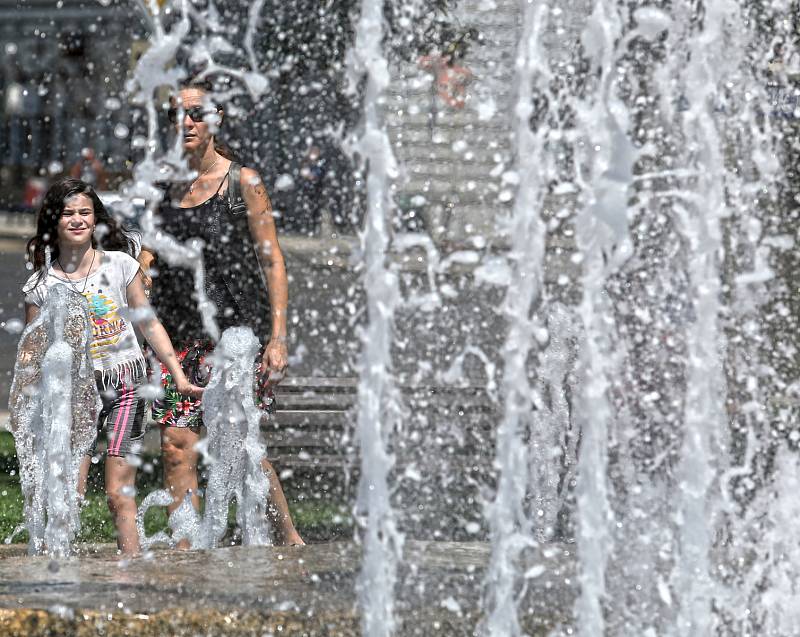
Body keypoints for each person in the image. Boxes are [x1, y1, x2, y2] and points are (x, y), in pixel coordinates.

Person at [138, 80, 304, 546]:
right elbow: (149, 255)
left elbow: (272, 261)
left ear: (215, 120)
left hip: (234, 335)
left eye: (196, 113)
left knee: (241, 445)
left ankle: (288, 538)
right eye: (178, 114)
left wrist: (278, 337)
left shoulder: (242, 183)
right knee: (175, 444)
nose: (186, 123)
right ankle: (188, 545)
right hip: (177, 335)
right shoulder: (161, 185)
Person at [22, 177, 204, 555]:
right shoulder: (41, 284)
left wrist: (179, 374)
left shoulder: (120, 265)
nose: (77, 220)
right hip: (75, 394)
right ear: (54, 221)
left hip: (125, 387)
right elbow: (31, 352)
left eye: (84, 212)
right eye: (68, 213)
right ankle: (58, 569)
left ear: (96, 219)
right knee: (67, 493)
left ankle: (132, 573)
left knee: (118, 494)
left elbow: (148, 322)